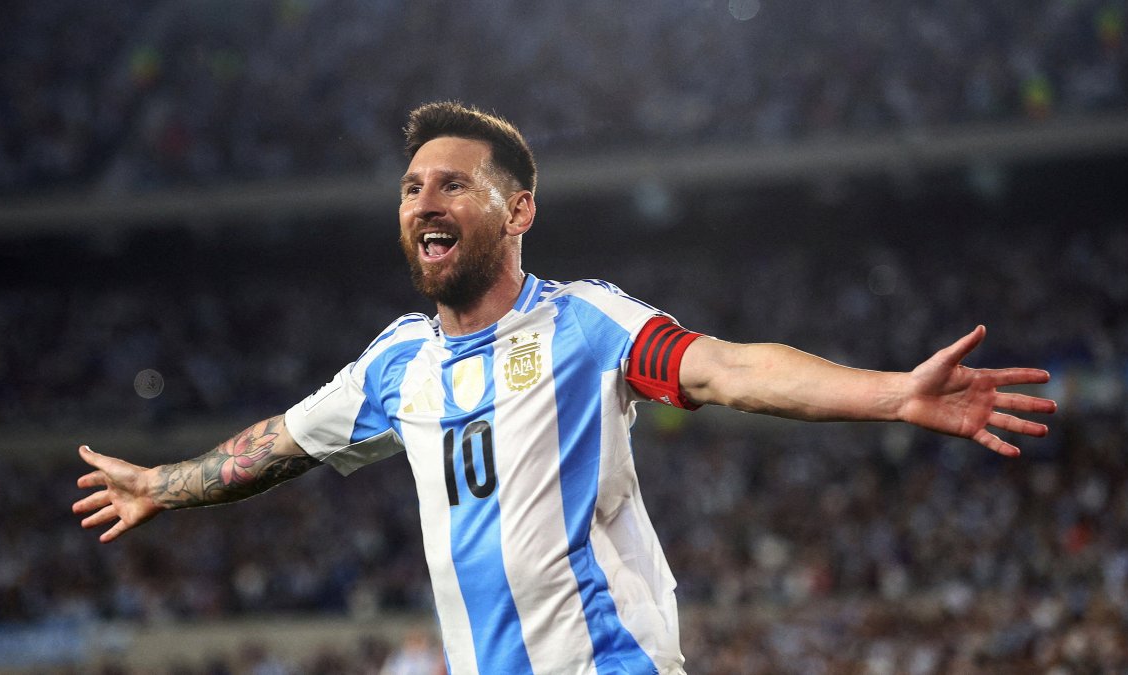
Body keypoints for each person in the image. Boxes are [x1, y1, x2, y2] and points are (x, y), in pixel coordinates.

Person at [73, 101, 1057, 674]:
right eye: (413, 186)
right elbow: (280, 444)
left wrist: (892, 394)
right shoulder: (395, 365)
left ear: (520, 209)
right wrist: (163, 485)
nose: (426, 200)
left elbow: (726, 367)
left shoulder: (584, 323)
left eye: (455, 183)